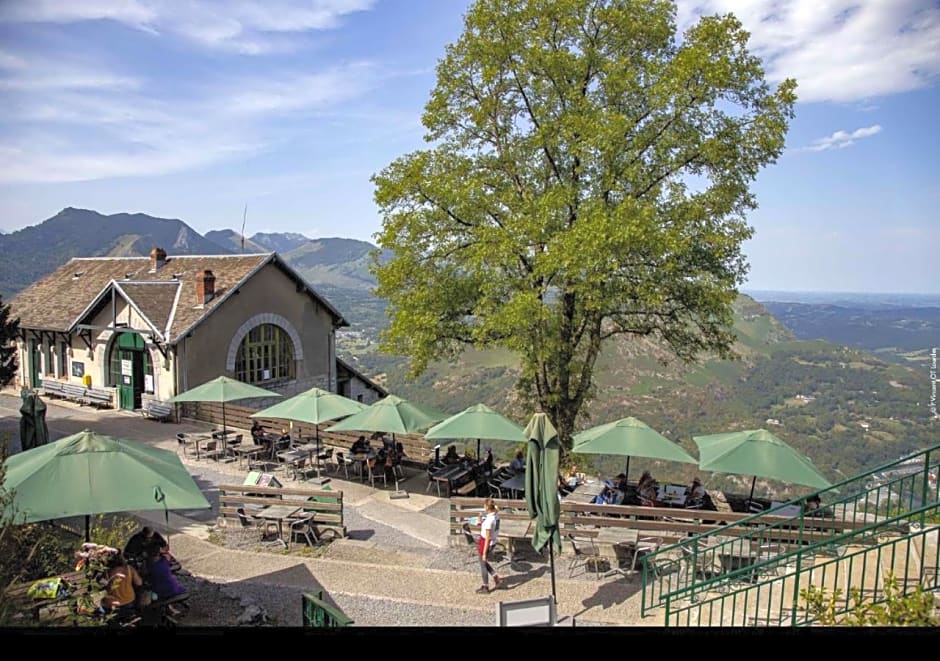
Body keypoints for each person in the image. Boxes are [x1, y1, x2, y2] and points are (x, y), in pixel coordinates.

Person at [100, 551, 143, 618]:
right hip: (129, 600)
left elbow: (106, 590)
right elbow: (139, 583)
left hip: (112, 604)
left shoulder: (107, 572)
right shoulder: (129, 568)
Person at [476, 498, 503, 594]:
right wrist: (480, 520)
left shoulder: (489, 521)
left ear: (487, 507)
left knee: (483, 564)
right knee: (483, 562)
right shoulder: (496, 516)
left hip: (486, 542)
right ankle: (496, 577)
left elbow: (487, 537)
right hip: (493, 541)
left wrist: (484, 553)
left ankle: (485, 586)